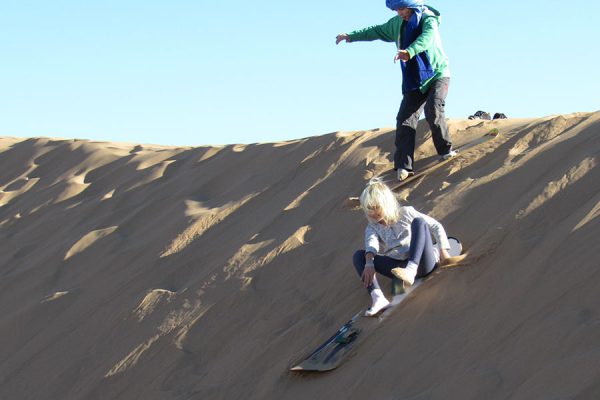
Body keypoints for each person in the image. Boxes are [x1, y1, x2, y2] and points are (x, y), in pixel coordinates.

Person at [336, 0, 456, 181]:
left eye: (402, 8)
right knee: (405, 120)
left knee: (433, 109)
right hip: (414, 80)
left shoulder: (427, 18)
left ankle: (445, 150)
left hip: (437, 74)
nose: (399, 13)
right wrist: (351, 36)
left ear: (412, 5)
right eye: (396, 9)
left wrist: (410, 51)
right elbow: (375, 31)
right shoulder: (396, 24)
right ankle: (403, 166)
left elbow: (427, 38)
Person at [353, 180, 465, 316]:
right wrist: (369, 262)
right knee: (359, 255)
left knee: (419, 222)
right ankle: (378, 297)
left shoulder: (405, 213)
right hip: (398, 270)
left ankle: (411, 270)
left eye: (376, 207)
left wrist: (444, 253)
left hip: (420, 264)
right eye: (369, 209)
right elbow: (371, 244)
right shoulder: (372, 227)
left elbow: (435, 226)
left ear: (385, 203)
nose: (373, 213)